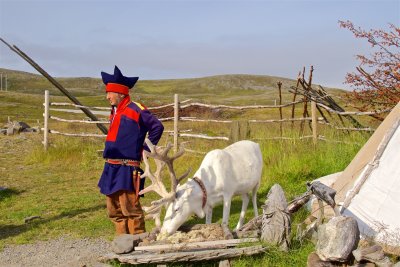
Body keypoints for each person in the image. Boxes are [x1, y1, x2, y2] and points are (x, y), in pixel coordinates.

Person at [98, 66, 164, 235]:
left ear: (120, 93)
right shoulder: (114, 112)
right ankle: (123, 242)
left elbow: (157, 127)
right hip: (111, 167)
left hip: (127, 167)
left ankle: (139, 243)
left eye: (110, 93)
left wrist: (145, 149)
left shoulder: (136, 109)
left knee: (130, 209)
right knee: (114, 210)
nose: (107, 97)